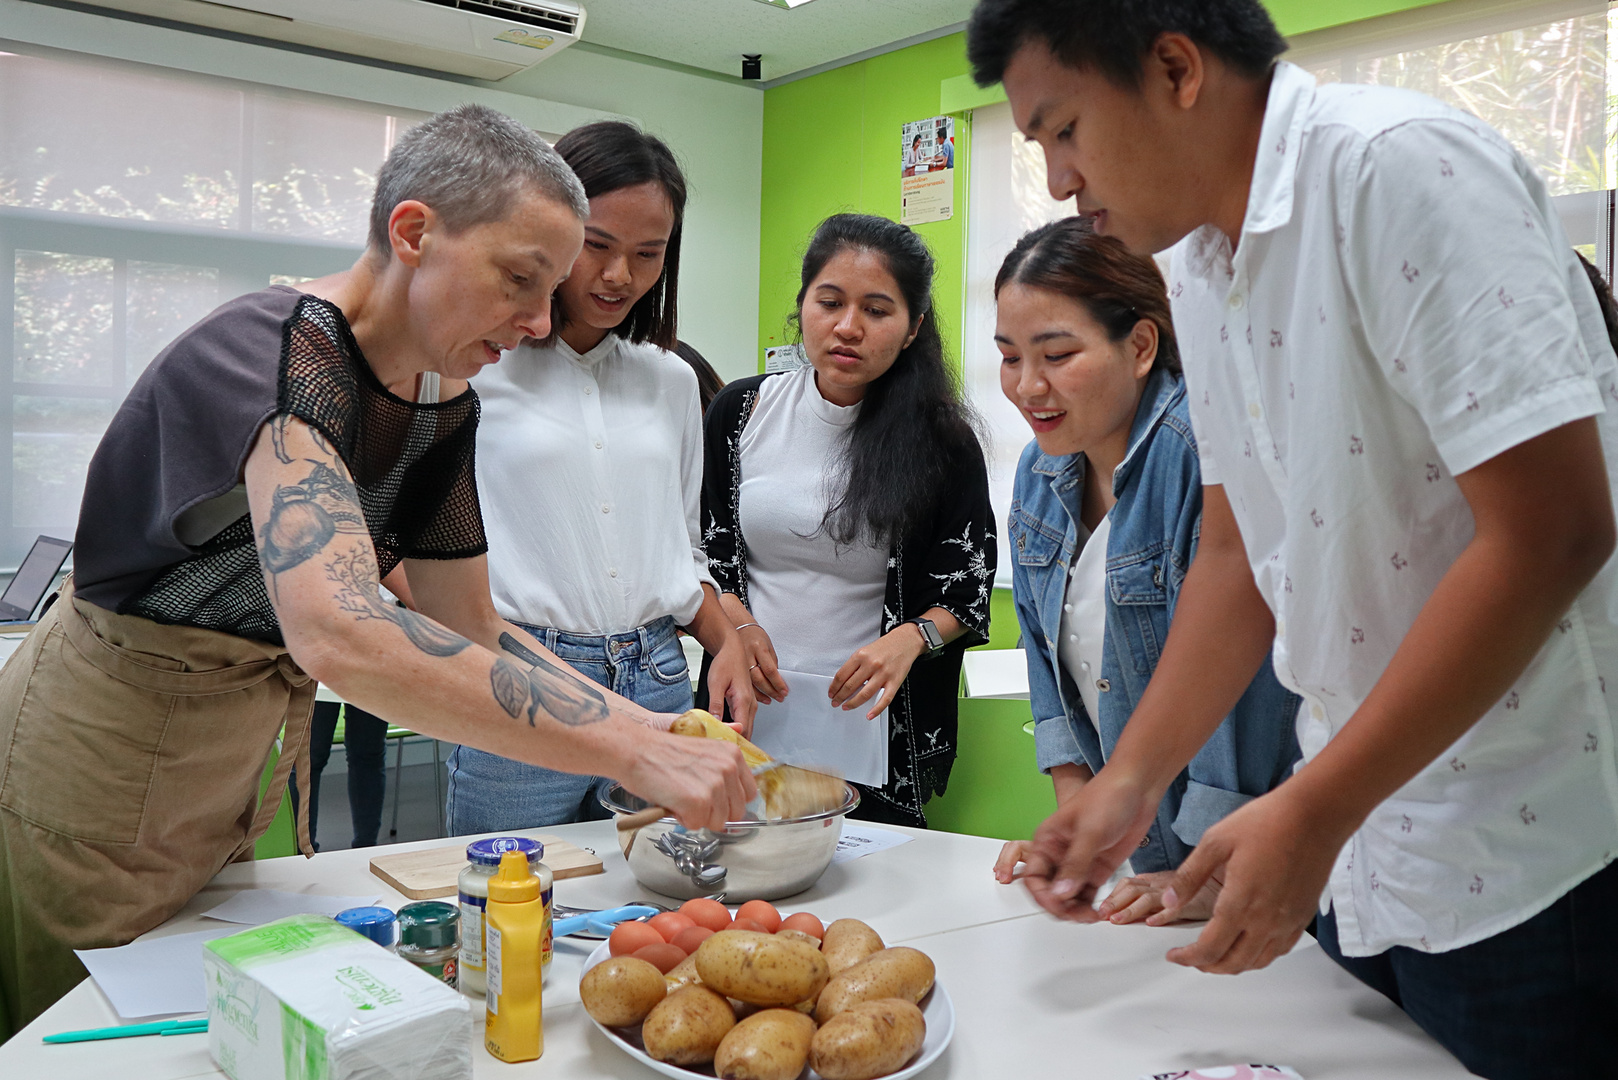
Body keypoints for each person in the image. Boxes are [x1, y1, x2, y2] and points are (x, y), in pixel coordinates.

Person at [0, 104, 755, 1040]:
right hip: (106, 747)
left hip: (239, 754)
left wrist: (644, 721)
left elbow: (471, 626)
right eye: (520, 280)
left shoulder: (443, 403)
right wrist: (634, 751)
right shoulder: (274, 353)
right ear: (413, 232)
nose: (534, 320)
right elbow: (344, 629)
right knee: (88, 1030)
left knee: (209, 1023)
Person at [967, 1, 1618, 1076]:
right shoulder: (1199, 267)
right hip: (1365, 855)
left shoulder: (1396, 171)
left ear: (1175, 69)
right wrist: (1129, 783)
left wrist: (1309, 809)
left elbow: (1551, 531)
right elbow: (1239, 556)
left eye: (1064, 130)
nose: (1059, 181)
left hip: (1525, 851)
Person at [445, 121, 755, 834]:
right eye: (598, 247)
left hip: (658, 676)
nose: (621, 277)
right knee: (510, 907)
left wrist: (726, 638)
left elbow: (680, 553)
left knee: (662, 912)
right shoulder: (472, 370)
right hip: (523, 677)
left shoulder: (671, 381)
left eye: (648, 254)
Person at [988, 218, 1299, 922]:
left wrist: (1204, 870)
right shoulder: (1040, 469)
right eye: (1009, 358)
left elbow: (1244, 685)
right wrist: (1074, 832)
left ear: (1140, 346)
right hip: (1138, 850)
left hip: (1247, 857)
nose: (1028, 386)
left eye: (1057, 354)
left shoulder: (1201, 453)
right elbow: (1045, 658)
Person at [704, 213, 996, 828]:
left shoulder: (942, 444)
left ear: (914, 327)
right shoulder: (741, 411)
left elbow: (966, 588)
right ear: (803, 304)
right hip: (750, 712)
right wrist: (736, 623)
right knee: (738, 899)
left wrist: (909, 640)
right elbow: (705, 548)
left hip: (873, 726)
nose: (847, 327)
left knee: (869, 902)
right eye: (829, 302)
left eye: (877, 310)